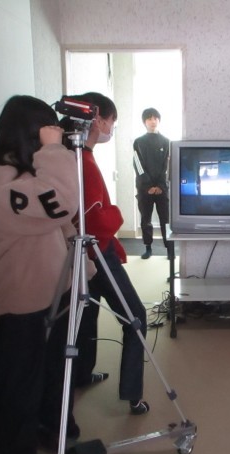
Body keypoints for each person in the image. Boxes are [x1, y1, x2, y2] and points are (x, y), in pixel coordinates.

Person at [0, 95, 80, 454]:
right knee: (18, 382)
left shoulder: (22, 173)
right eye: (46, 130)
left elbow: (59, 221)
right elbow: (63, 202)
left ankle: (50, 431)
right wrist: (53, 150)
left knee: (50, 372)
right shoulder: (0, 179)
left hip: (51, 290)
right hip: (22, 296)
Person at [60, 92, 150, 416]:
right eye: (112, 121)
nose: (111, 128)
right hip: (97, 252)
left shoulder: (71, 156)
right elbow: (96, 221)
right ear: (97, 119)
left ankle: (83, 374)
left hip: (82, 254)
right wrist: (118, 214)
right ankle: (133, 396)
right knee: (135, 317)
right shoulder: (83, 162)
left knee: (86, 315)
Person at [133, 107, 171, 259]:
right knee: (145, 219)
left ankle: (170, 249)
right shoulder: (138, 142)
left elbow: (167, 165)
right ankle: (148, 248)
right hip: (144, 189)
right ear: (144, 122)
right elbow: (138, 164)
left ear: (159, 120)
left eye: (155, 118)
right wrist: (148, 186)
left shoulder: (166, 142)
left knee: (165, 220)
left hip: (162, 188)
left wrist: (160, 186)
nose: (153, 121)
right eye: (149, 118)